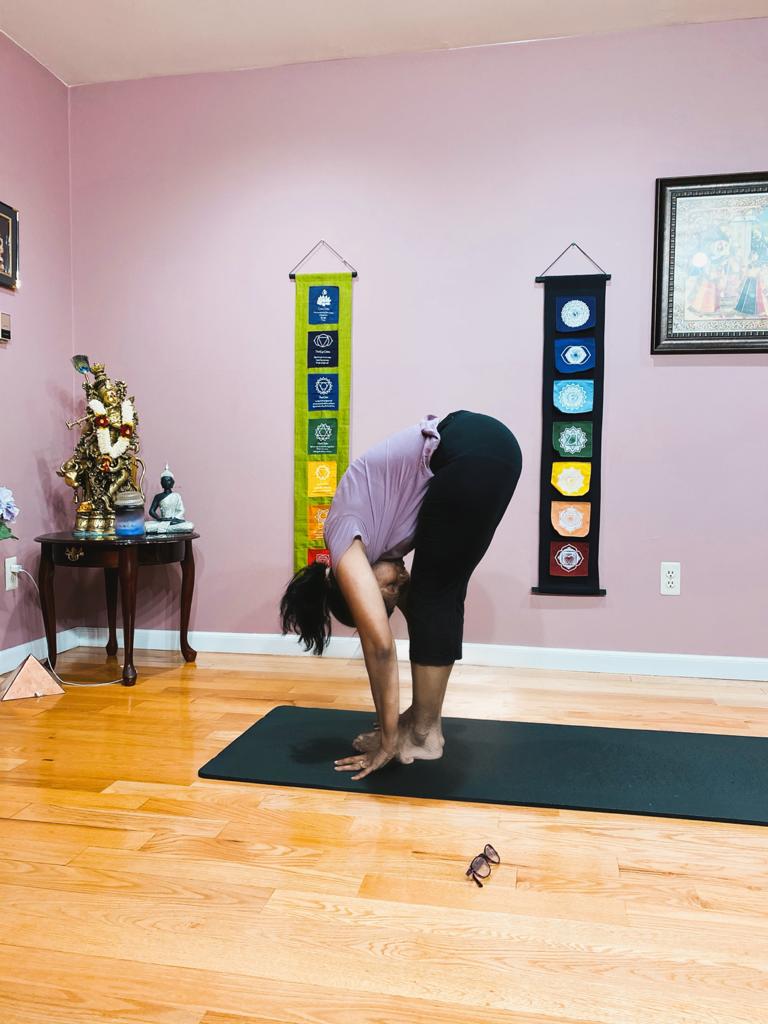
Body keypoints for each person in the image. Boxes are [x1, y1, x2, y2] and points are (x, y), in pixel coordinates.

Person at [280, 410, 522, 780]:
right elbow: (424, 617)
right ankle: (423, 723)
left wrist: (387, 741)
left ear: (356, 583)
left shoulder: (343, 543)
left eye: (389, 588)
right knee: (437, 595)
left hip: (469, 448)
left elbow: (379, 646)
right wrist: (396, 718)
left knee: (432, 596)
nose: (401, 581)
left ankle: (422, 735)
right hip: (492, 447)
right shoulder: (378, 537)